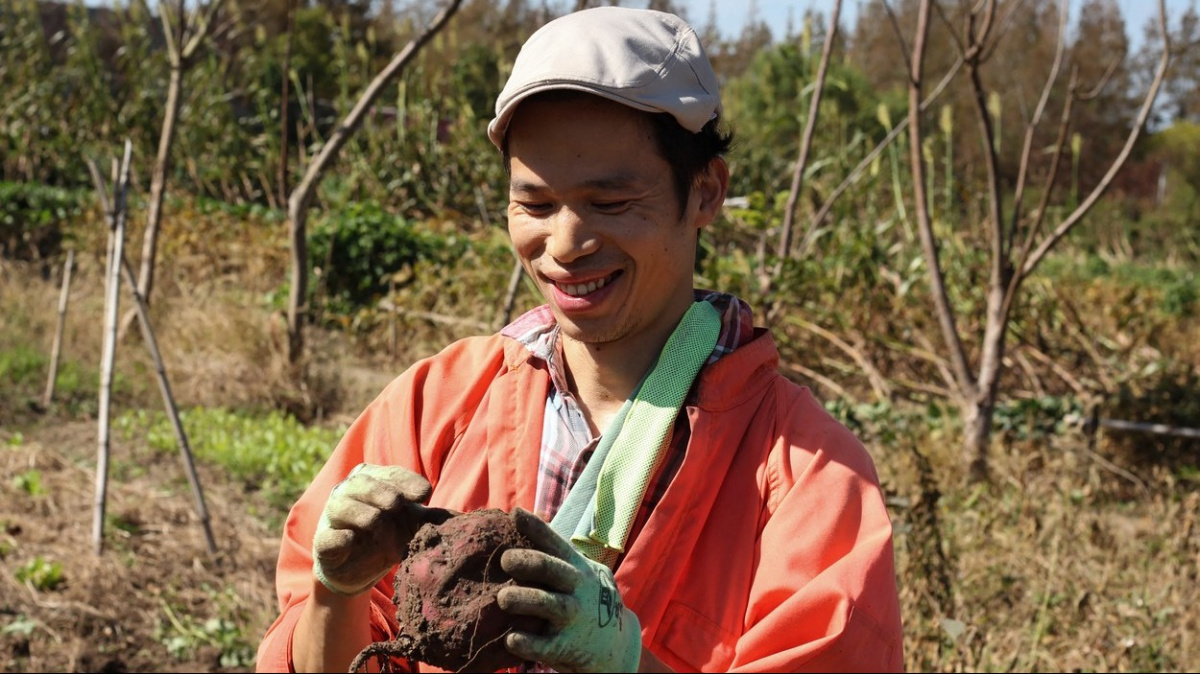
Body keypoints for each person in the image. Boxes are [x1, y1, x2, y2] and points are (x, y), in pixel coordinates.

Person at [256, 6, 904, 673]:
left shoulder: (805, 471)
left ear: (705, 191)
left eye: (611, 203)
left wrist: (626, 662)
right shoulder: (437, 406)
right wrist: (337, 591)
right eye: (535, 205)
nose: (565, 244)